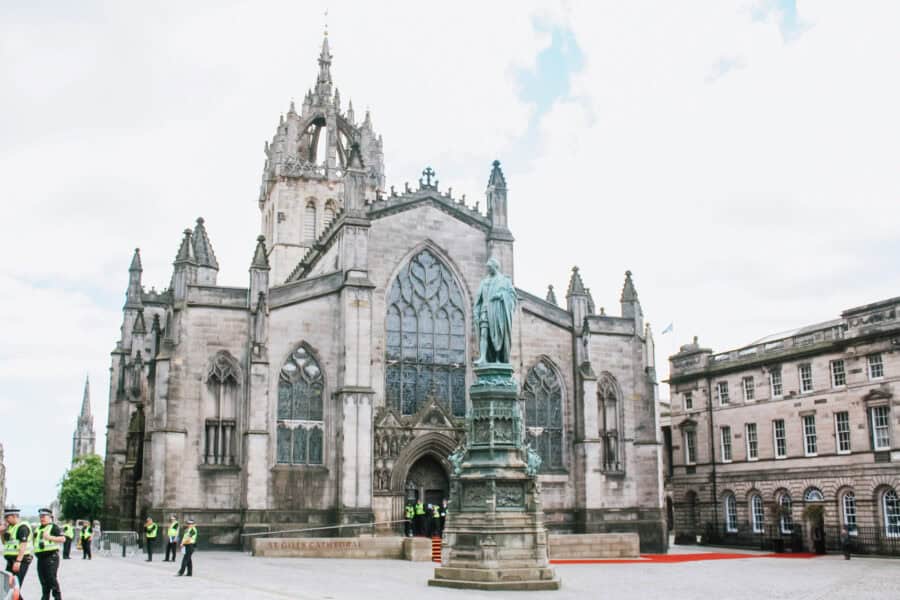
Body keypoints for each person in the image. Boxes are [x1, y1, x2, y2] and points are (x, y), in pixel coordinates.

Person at [34, 508, 65, 600]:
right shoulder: (38, 528)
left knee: (51, 578)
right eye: (40, 517)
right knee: (43, 580)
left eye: (44, 516)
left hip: (51, 557)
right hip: (41, 558)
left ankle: (57, 597)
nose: (42, 518)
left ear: (50, 517)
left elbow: (63, 539)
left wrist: (49, 537)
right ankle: (45, 597)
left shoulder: (53, 527)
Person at [2, 507, 34, 598]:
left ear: (14, 516)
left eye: (7, 517)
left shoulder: (22, 527)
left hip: (20, 561)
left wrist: (18, 561)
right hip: (11, 561)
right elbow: (5, 543)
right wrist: (2, 533)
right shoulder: (11, 527)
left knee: (14, 587)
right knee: (8, 587)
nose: (6, 520)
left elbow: (23, 545)